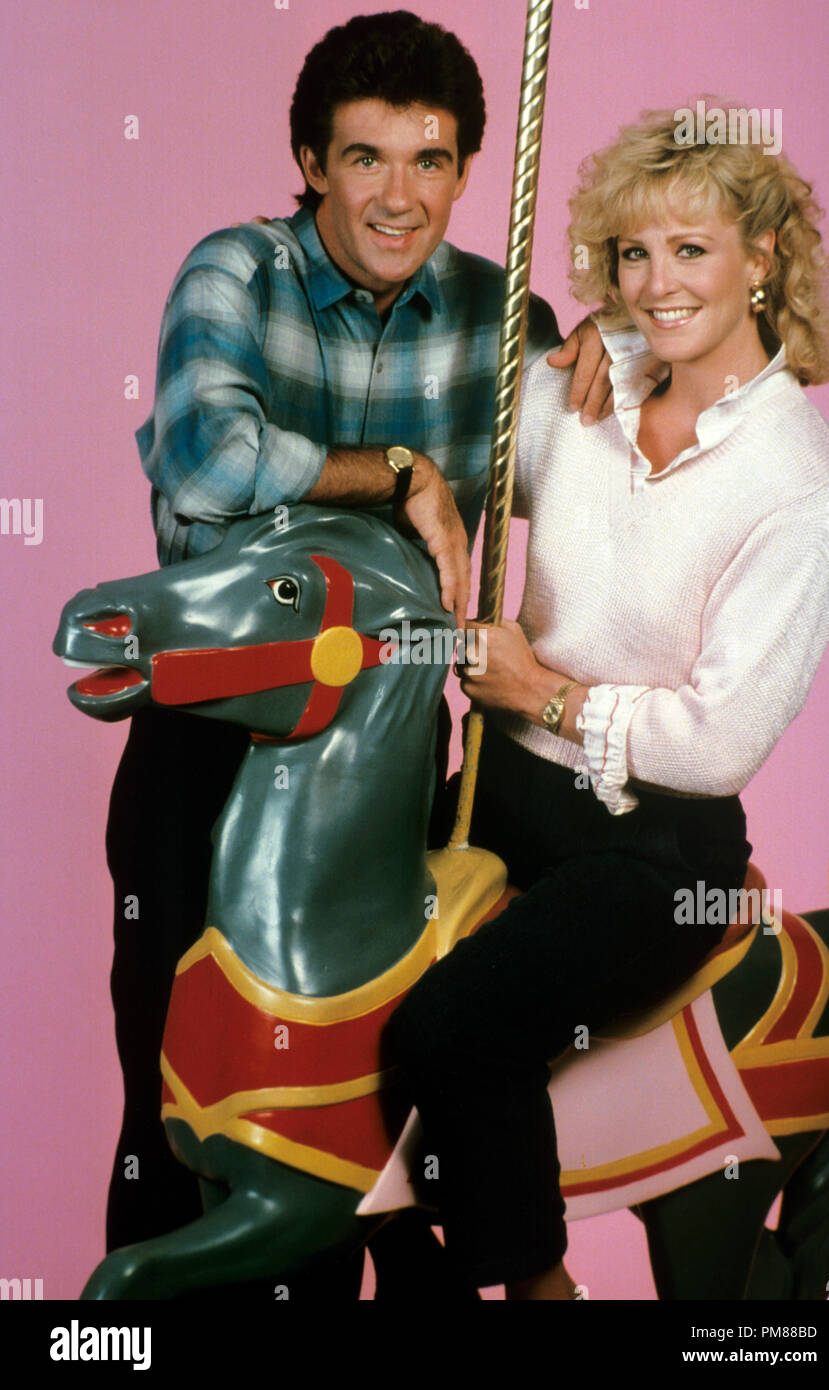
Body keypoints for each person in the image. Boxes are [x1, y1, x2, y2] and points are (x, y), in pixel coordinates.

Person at [104, 9, 609, 1282]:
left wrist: (626, 339)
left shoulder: (503, 320)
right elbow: (211, 462)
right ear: (312, 160)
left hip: (380, 762)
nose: (400, 195)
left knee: (387, 1096)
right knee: (186, 1111)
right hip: (212, 737)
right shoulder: (235, 272)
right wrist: (399, 475)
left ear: (464, 168)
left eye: (431, 161)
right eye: (367, 157)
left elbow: (601, 467)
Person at [385, 104, 829, 1300]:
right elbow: (481, 456)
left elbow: (721, 738)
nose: (657, 284)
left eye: (692, 251)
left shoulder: (800, 480)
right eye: (632, 257)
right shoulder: (582, 389)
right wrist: (421, 477)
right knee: (340, 1015)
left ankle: (544, 1294)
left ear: (765, 261)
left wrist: (546, 689)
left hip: (658, 842)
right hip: (503, 784)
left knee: (450, 1029)